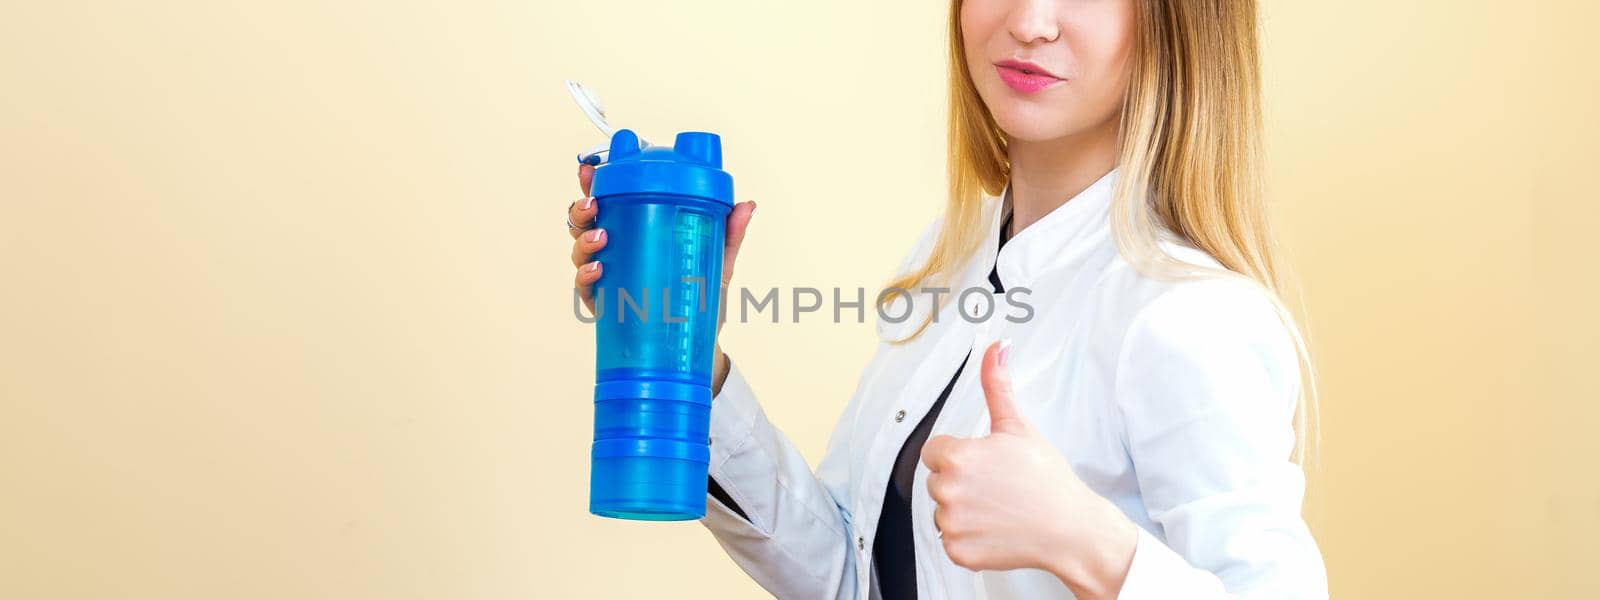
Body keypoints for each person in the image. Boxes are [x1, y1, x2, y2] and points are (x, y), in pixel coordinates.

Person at [564, 0, 1327, 597]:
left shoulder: (1184, 314)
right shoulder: (948, 263)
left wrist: (1086, 543)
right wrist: (686, 346)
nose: (1028, 22)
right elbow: (846, 570)